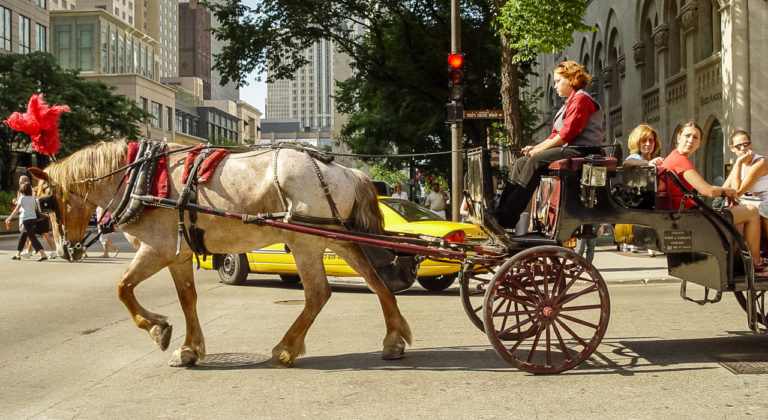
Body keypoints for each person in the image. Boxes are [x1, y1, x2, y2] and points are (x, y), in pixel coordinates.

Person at [493, 60, 604, 230]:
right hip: (569, 148)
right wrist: (535, 148)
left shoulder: (581, 99)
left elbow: (567, 135)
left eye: (558, 81)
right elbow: (554, 135)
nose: (555, 86)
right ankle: (500, 211)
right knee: (521, 162)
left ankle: (507, 218)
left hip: (584, 151)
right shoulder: (568, 103)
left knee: (535, 162)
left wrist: (538, 152)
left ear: (572, 79)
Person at [659, 121, 766, 273]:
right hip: (690, 219)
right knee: (751, 211)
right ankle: (755, 262)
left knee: (738, 213)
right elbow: (707, 191)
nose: (690, 140)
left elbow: (722, 187)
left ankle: (738, 261)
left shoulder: (672, 157)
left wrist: (727, 191)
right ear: (678, 137)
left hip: (684, 215)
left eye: (695, 138)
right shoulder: (680, 160)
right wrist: (727, 192)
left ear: (700, 143)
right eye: (687, 135)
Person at [621, 124, 663, 256]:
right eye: (644, 140)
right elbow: (627, 163)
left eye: (651, 140)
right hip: (636, 200)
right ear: (637, 143)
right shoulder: (635, 159)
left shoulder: (654, 160)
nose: (648, 144)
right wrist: (648, 164)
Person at [721, 130, 768, 234]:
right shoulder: (740, 163)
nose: (743, 148)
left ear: (750, 144)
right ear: (732, 148)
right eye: (738, 146)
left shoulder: (760, 163)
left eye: (746, 144)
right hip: (756, 201)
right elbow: (725, 188)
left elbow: (737, 192)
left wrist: (738, 164)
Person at [6, 183, 48, 261]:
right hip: (33, 219)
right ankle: (18, 254)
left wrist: (9, 218)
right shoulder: (33, 198)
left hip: (26, 219)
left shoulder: (22, 198)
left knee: (32, 237)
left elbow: (17, 209)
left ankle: (43, 254)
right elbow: (35, 208)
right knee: (23, 237)